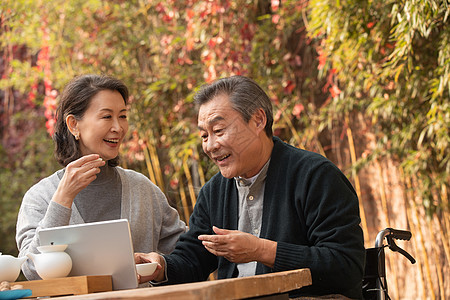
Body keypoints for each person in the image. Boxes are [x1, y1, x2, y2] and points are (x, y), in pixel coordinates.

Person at [135, 75, 365, 299]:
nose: (210, 146)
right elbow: (193, 259)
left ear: (258, 120)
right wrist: (161, 266)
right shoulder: (213, 192)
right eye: (205, 135)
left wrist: (262, 251)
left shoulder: (315, 176)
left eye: (219, 131)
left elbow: (346, 265)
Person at [16, 74, 186, 280]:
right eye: (107, 116)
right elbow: (31, 271)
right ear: (73, 125)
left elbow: (188, 255)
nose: (118, 127)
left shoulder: (142, 188)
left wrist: (162, 265)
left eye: (122, 116)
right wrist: (63, 200)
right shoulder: (40, 197)